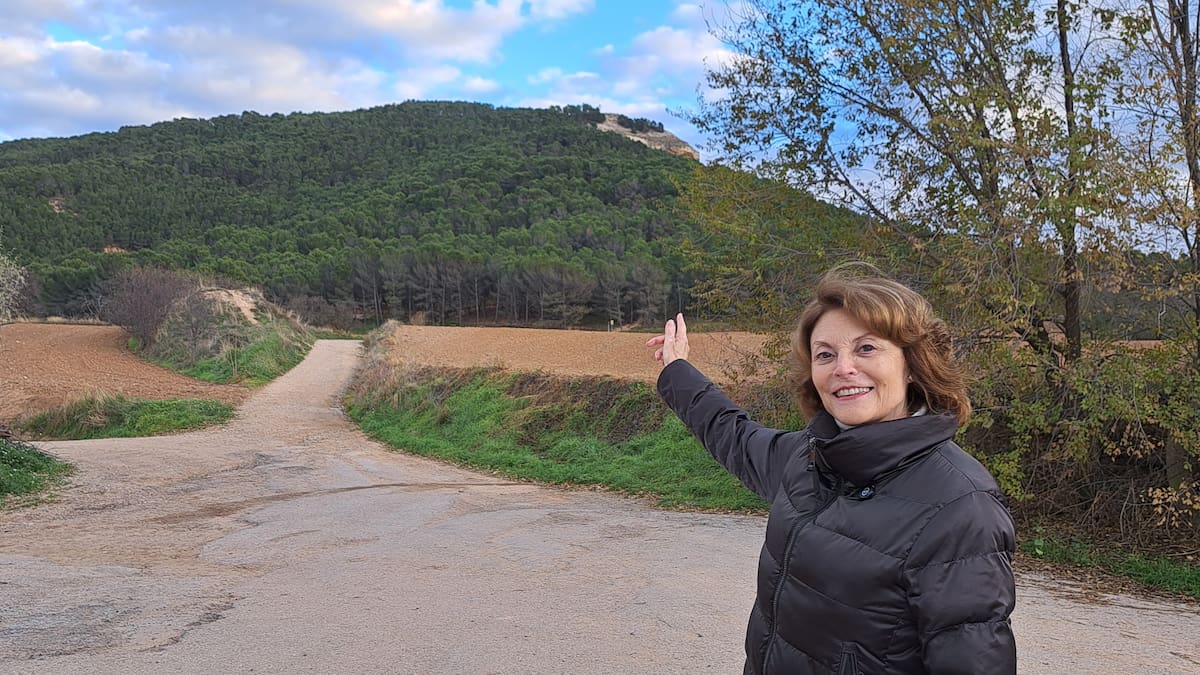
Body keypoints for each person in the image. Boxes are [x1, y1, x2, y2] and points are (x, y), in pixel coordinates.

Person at [646, 266, 1016, 674]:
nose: (843, 368)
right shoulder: (810, 457)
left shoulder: (960, 507)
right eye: (825, 354)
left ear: (912, 364)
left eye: (866, 348)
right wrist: (676, 370)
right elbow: (733, 435)